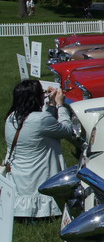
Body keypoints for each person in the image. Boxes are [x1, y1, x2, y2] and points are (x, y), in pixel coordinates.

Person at [4, 80, 73, 219]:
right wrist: (60, 105)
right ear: (35, 98)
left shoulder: (10, 118)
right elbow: (67, 130)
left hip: (19, 177)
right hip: (40, 174)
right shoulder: (41, 119)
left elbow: (47, 123)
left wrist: (51, 104)